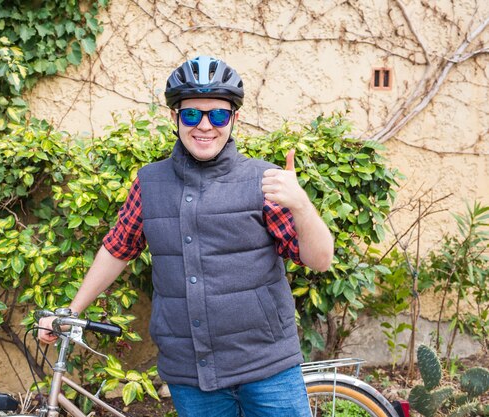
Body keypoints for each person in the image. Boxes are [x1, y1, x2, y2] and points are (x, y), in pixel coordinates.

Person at [38, 55, 334, 417]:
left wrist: (302, 205)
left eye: (218, 115)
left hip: (268, 368)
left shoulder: (265, 180)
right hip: (192, 373)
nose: (205, 126)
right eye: (192, 114)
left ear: (234, 119)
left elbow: (320, 260)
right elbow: (117, 250)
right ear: (175, 118)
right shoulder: (150, 183)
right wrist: (71, 310)